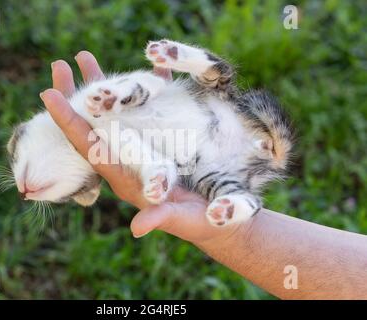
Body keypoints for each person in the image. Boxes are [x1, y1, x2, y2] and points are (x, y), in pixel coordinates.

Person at [39, 52, 367, 300]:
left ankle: (238, 199)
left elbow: (150, 90)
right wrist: (229, 235)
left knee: (214, 96)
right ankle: (240, 202)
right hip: (218, 153)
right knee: (213, 167)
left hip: (211, 139)